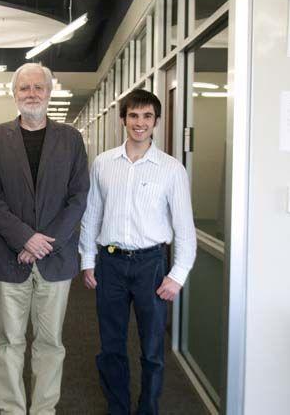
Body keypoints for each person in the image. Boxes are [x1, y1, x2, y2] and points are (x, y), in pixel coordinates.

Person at [0, 62, 89, 414]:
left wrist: (45, 242)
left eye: (38, 87)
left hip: (55, 262)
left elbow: (78, 197)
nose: (32, 94)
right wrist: (25, 239)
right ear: (14, 94)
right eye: (24, 88)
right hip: (9, 259)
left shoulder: (71, 139)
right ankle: (12, 409)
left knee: (50, 342)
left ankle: (43, 409)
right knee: (8, 342)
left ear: (49, 92)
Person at [79, 89, 196, 415]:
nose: (139, 123)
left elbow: (185, 228)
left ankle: (148, 409)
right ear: (123, 119)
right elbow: (92, 215)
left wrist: (177, 275)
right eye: (133, 116)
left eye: (147, 116)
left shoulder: (171, 169)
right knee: (111, 347)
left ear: (156, 122)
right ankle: (118, 408)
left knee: (152, 350)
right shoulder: (103, 163)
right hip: (111, 264)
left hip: (152, 266)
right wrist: (88, 260)